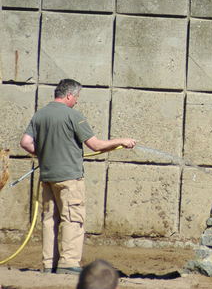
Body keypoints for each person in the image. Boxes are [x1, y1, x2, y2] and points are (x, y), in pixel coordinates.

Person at [19, 79, 136, 275]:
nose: (77, 102)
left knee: (49, 221)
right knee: (72, 219)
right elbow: (96, 145)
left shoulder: (40, 115)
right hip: (69, 178)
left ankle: (49, 264)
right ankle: (68, 263)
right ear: (69, 95)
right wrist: (121, 141)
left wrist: (46, 155)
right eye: (77, 97)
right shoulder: (73, 115)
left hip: (47, 177)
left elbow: (25, 142)